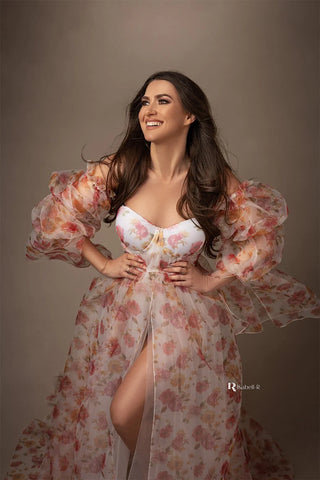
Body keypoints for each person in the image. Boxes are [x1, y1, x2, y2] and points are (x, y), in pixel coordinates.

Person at [6, 70, 320, 480]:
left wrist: (210, 280)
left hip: (185, 318)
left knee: (125, 412)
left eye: (163, 101)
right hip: (121, 311)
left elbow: (262, 240)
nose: (148, 110)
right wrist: (103, 263)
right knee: (115, 415)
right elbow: (56, 217)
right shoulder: (120, 169)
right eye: (144, 102)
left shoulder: (211, 181)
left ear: (190, 116)